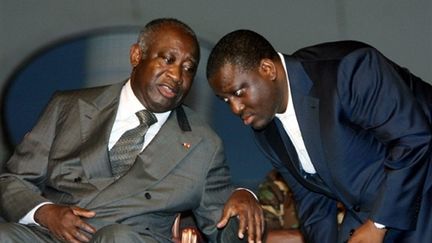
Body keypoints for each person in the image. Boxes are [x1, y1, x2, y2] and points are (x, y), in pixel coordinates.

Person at [0, 19, 264, 243]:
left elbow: (224, 229)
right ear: (137, 56)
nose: (176, 75)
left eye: (188, 69)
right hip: (52, 233)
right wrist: (46, 213)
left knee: (117, 237)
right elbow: (11, 181)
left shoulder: (202, 143)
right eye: (168, 59)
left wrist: (243, 200)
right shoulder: (68, 106)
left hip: (129, 237)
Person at [206, 29, 432, 243]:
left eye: (238, 93)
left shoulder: (348, 69)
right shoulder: (265, 128)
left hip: (421, 185)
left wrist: (377, 224)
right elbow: (311, 199)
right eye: (226, 100)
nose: (235, 109)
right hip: (371, 211)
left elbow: (413, 139)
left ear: (267, 69)